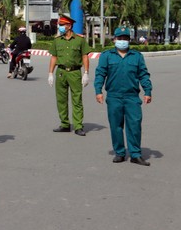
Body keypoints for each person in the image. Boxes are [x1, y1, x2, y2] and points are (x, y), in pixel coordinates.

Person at [94, 27, 153, 166]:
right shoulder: (107, 55)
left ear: (129, 40)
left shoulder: (137, 56)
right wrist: (98, 91)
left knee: (135, 125)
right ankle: (119, 153)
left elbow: (143, 75)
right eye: (119, 38)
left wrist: (147, 91)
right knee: (116, 126)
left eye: (125, 38)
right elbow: (100, 74)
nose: (122, 41)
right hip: (114, 96)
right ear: (114, 39)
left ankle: (135, 154)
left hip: (132, 96)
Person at [47, 14, 91, 136]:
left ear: (69, 26)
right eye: (59, 25)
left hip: (74, 72)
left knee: (76, 100)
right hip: (60, 72)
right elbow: (54, 57)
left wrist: (86, 73)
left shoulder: (80, 40)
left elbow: (85, 56)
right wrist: (50, 73)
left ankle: (78, 126)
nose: (60, 27)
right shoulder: (57, 41)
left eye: (62, 25)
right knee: (61, 100)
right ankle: (65, 124)